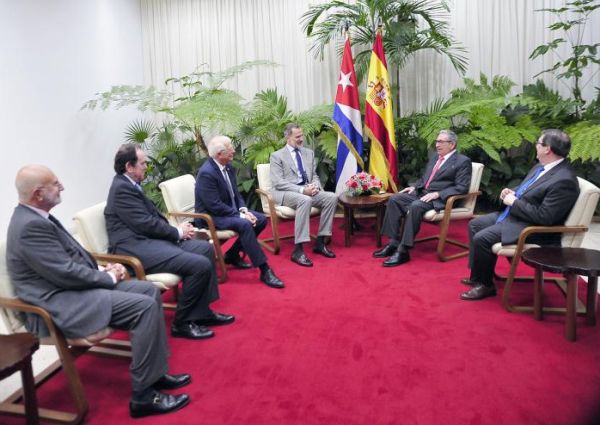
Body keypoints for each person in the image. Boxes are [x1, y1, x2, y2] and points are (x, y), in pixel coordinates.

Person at [6, 165, 191, 418]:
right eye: (56, 183)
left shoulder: (37, 216)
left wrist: (103, 267)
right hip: (57, 305)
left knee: (147, 291)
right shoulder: (29, 226)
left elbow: (68, 261)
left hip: (71, 292)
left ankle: (155, 373)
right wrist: (108, 276)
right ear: (38, 193)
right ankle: (143, 397)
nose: (62, 187)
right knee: (143, 306)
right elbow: (65, 273)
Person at [105, 144, 234, 339]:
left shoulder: (129, 184)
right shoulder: (121, 189)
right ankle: (181, 323)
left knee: (204, 249)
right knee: (198, 265)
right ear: (129, 167)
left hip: (149, 241)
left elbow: (149, 221)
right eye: (142, 163)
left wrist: (178, 231)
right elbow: (145, 224)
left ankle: (201, 313)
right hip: (135, 248)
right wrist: (177, 232)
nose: (146, 166)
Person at [461, 129, 580, 300]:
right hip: (517, 215)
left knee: (482, 238)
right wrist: (513, 192)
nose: (535, 146)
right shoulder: (541, 166)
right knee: (475, 225)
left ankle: (485, 286)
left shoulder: (564, 180)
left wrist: (514, 202)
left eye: (538, 143)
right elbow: (530, 189)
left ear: (547, 149)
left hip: (533, 228)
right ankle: (478, 276)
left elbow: (545, 217)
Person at [194, 135, 284, 288]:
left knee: (261, 219)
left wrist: (243, 209)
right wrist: (241, 215)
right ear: (219, 154)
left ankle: (232, 255)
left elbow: (235, 194)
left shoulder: (227, 166)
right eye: (230, 149)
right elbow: (214, 205)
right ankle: (265, 270)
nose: (234, 151)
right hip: (210, 217)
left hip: (229, 211)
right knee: (244, 224)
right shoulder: (206, 174)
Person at [373, 130, 472, 266]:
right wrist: (415, 187)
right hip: (422, 193)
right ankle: (393, 243)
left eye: (441, 142)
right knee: (395, 199)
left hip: (441, 199)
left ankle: (403, 251)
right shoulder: (435, 157)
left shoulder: (462, 161)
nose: (437, 145)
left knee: (416, 206)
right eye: (437, 141)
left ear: (452, 144)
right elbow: (426, 178)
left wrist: (438, 194)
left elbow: (462, 187)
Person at [269, 123, 339, 267]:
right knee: (305, 199)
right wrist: (302, 190)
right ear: (287, 137)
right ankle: (298, 250)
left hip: (307, 191)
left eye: (302, 135)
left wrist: (316, 187)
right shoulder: (277, 156)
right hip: (286, 193)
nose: (301, 139)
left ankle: (320, 242)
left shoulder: (309, 153)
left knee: (331, 197)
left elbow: (314, 175)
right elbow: (278, 182)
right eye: (297, 137)